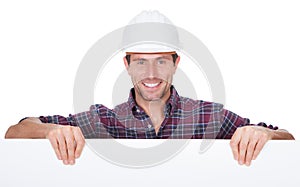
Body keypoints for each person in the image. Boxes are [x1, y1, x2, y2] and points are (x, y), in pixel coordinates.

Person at [5, 11, 294, 166]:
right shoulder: (102, 120)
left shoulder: (209, 116)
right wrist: (51, 131)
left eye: (161, 61)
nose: (152, 73)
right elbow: (14, 132)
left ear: (175, 63)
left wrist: (262, 133)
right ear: (127, 65)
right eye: (141, 62)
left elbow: (288, 140)